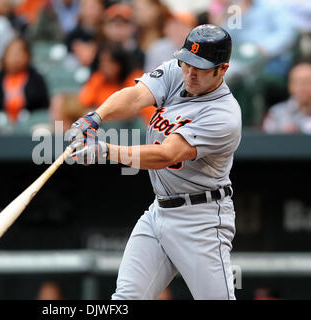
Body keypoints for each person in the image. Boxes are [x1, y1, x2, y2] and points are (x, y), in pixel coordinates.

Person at [68, 24, 241, 300]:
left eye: (201, 67)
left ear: (222, 69)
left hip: (201, 219)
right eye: (187, 63)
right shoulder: (178, 71)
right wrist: (95, 117)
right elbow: (136, 96)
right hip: (159, 211)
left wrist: (105, 151)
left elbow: (166, 155)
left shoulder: (224, 115)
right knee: (125, 299)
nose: (190, 72)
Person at [0, 37, 50, 123]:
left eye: (19, 54)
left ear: (27, 56)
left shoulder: (36, 79)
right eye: (12, 54)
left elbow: (43, 108)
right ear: (5, 56)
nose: (15, 58)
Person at [262, 62, 311, 134]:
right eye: (297, 82)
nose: (302, 87)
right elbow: (265, 139)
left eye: (307, 82)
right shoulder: (276, 113)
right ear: (290, 86)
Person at [133, 0, 177, 72]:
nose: (139, 13)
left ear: (157, 8)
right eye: (137, 9)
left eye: (144, 9)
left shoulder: (171, 32)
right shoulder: (133, 37)